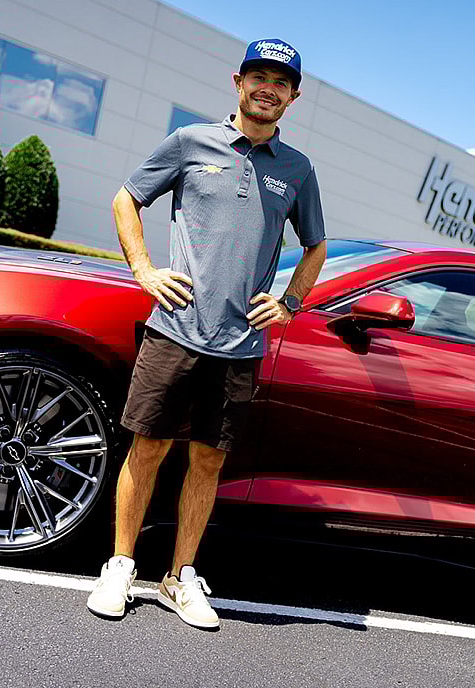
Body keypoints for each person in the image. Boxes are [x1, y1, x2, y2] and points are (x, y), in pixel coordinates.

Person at [86, 38, 327, 629]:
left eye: (281, 82)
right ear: (238, 83)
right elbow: (126, 198)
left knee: (208, 462)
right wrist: (144, 269)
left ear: (293, 97)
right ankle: (120, 566)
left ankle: (179, 578)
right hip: (175, 329)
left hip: (240, 344)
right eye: (259, 76)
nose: (268, 88)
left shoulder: (298, 170)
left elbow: (315, 246)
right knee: (147, 448)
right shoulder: (190, 142)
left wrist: (291, 303)